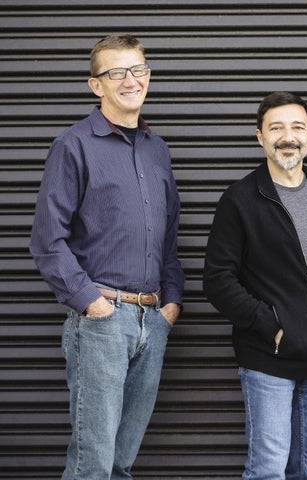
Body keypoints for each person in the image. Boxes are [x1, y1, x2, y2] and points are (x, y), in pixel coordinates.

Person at [29, 34, 184, 479]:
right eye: (115, 72)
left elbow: (169, 235)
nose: (129, 80)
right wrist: (92, 304)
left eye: (137, 69)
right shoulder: (73, 146)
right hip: (102, 322)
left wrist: (170, 302)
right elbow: (47, 240)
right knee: (92, 462)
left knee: (121, 460)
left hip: (152, 320)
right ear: (96, 85)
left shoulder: (157, 150)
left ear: (148, 76)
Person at [203, 91, 307, 480]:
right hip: (269, 359)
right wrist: (271, 324)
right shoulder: (240, 200)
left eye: (297, 127)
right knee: (268, 471)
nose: (288, 136)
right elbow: (217, 280)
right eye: (277, 128)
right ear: (259, 137)